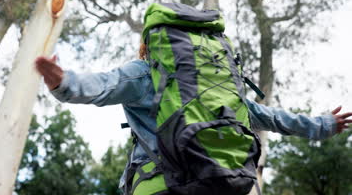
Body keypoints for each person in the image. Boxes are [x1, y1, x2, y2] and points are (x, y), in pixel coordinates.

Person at [34, 52, 352, 195]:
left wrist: (61, 80)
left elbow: (101, 85)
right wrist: (324, 124)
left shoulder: (146, 73)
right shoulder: (219, 88)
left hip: (159, 183)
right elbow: (273, 118)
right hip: (222, 183)